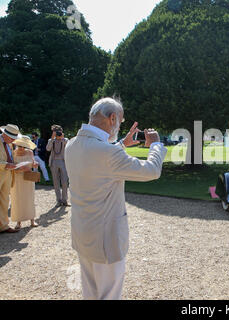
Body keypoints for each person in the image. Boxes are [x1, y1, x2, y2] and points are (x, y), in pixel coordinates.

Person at [65, 97, 167, 300]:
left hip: (83, 233)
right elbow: (151, 171)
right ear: (112, 118)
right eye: (120, 120)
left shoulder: (72, 144)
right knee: (109, 295)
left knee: (91, 292)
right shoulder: (107, 152)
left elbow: (98, 162)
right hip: (106, 240)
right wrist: (156, 145)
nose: (120, 124)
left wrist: (121, 144)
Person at [11, 136, 39, 230]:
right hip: (17, 179)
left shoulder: (30, 152)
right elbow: (11, 167)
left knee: (29, 198)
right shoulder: (13, 153)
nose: (22, 148)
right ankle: (18, 222)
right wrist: (18, 169)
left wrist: (34, 164)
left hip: (28, 178)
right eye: (20, 146)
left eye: (24, 146)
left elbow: (33, 162)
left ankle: (32, 220)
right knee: (17, 199)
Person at [0, 124, 20, 234]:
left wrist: (15, 164)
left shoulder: (9, 144)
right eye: (12, 138)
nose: (13, 140)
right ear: (4, 134)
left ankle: (3, 225)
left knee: (4, 200)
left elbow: (9, 157)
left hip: (7, 175)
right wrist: (5, 165)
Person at [46, 125, 70, 207]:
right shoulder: (51, 140)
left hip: (63, 162)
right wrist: (52, 138)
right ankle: (58, 200)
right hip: (54, 162)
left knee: (64, 182)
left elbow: (68, 147)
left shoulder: (65, 140)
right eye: (56, 132)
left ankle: (65, 200)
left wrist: (62, 139)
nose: (58, 134)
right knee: (56, 182)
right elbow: (48, 149)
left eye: (59, 132)